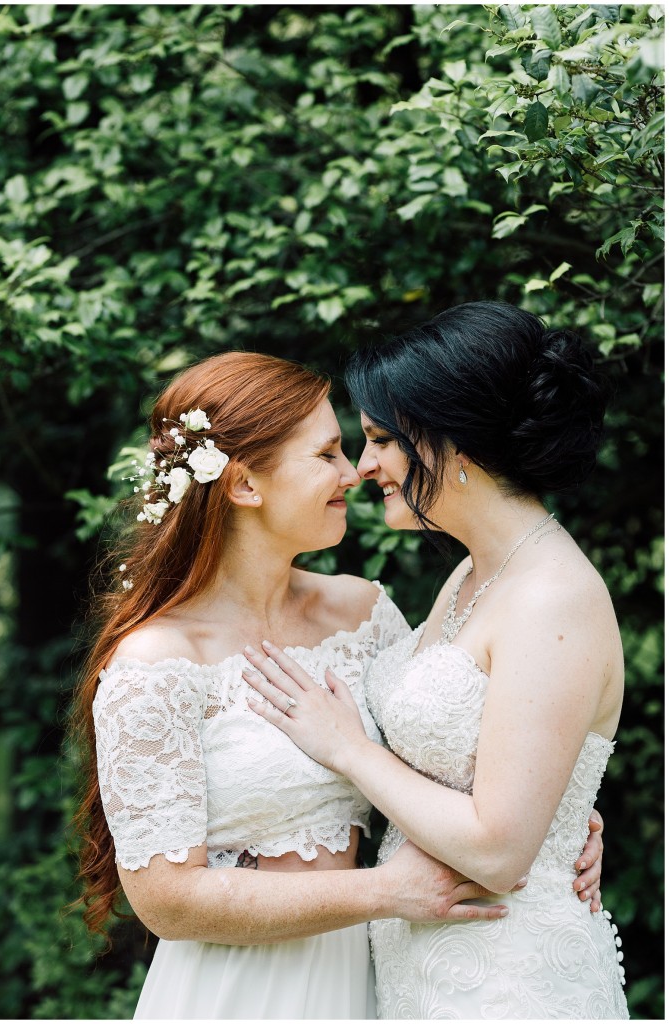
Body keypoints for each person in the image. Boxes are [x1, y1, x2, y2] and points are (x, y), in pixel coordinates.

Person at [72, 349, 604, 1020]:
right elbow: (166, 901)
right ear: (243, 486)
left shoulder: (362, 612)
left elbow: (447, 739)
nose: (353, 472)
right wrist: (387, 893)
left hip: (375, 979)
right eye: (326, 455)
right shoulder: (155, 661)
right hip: (239, 991)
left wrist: (557, 810)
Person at [242, 302, 629, 1020]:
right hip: (429, 973)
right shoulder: (474, 574)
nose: (364, 468)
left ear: (456, 442)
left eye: (383, 440)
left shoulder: (554, 598)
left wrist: (349, 750)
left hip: (510, 980)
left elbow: (499, 852)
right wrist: (568, 812)